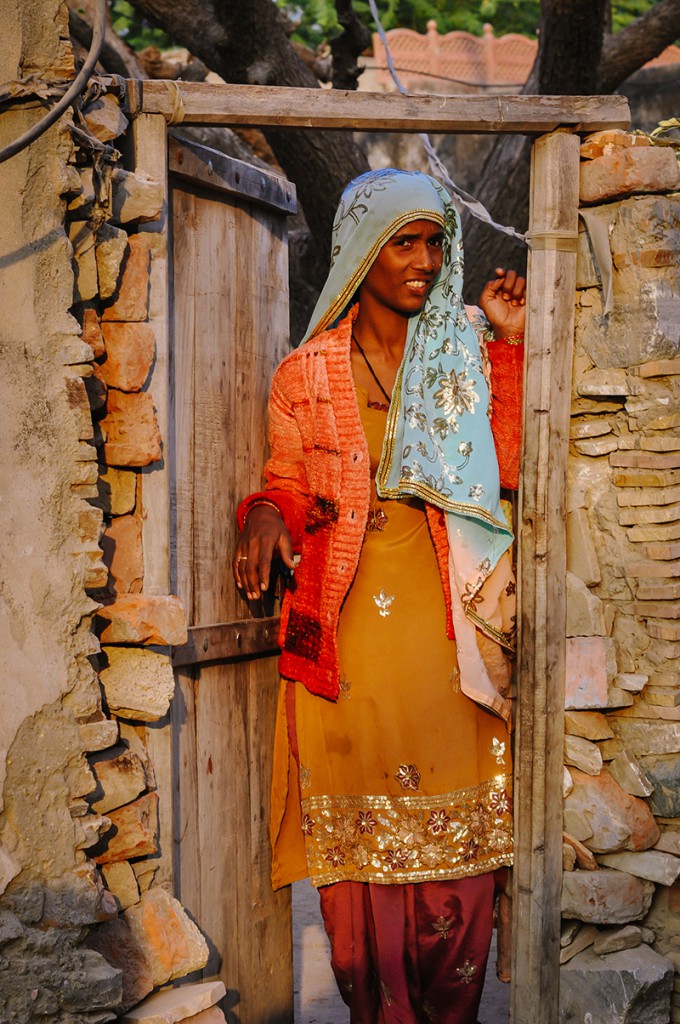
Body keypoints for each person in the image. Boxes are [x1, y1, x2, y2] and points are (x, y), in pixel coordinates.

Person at [233, 168, 525, 1024]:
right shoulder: (306, 372)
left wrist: (505, 346)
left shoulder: (462, 350)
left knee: (463, 855)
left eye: (437, 242)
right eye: (406, 242)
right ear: (364, 250)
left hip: (450, 628)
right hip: (346, 631)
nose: (427, 260)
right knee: (359, 874)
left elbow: (502, 472)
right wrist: (263, 517)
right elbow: (283, 479)